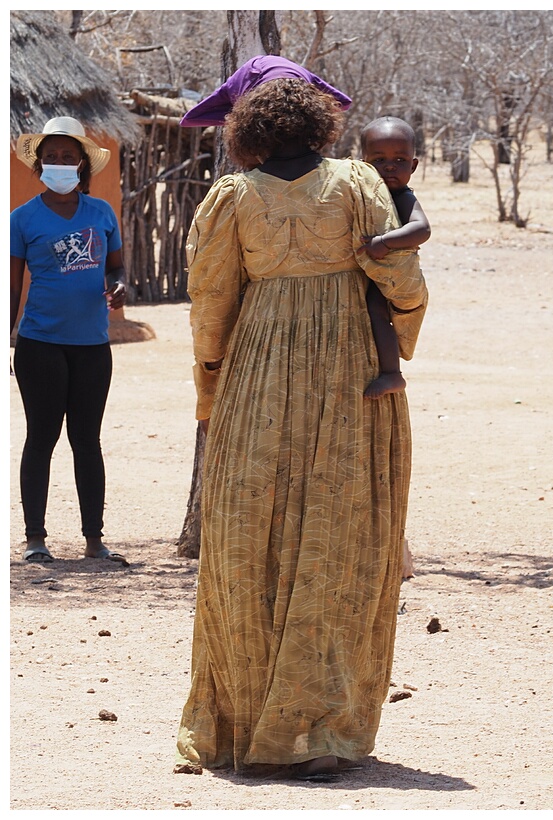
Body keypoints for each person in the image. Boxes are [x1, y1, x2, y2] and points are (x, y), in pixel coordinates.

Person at [174, 67, 428, 781]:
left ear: (246, 131)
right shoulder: (356, 183)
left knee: (250, 537)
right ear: (321, 125)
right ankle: (319, 730)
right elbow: (400, 277)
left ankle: (242, 726)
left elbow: (211, 300)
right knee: (338, 539)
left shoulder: (232, 196)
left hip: (255, 373)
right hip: (350, 373)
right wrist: (397, 340)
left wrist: (210, 386)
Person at [10, 116, 128, 565]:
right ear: (39, 165)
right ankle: (35, 538)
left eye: (68, 157)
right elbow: (13, 288)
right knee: (41, 438)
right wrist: (7, 337)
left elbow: (117, 268)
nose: (60, 163)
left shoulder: (101, 213)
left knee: (87, 440)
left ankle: (94, 540)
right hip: (40, 343)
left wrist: (120, 286)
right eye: (51, 157)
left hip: (93, 346)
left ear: (81, 165)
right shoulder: (21, 219)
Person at [359, 116, 431, 399]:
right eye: (379, 160)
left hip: (393, 276)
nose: (389, 166)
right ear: (362, 163)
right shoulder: (363, 193)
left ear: (413, 165)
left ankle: (392, 374)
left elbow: (422, 229)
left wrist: (385, 242)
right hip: (373, 271)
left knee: (377, 311)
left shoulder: (402, 196)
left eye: (400, 160)